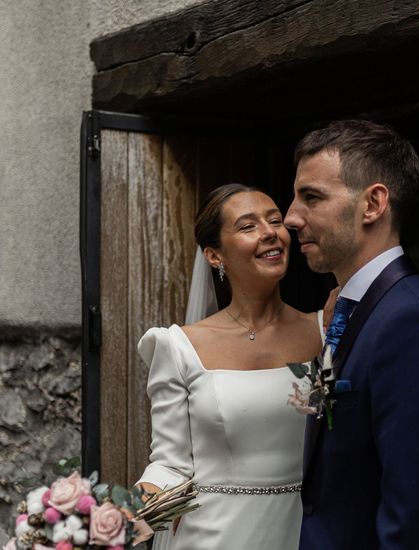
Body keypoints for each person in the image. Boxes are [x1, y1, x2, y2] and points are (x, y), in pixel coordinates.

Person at [284, 120, 419, 549]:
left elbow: (418, 518)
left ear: (373, 204)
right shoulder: (350, 308)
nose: (290, 217)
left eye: (311, 197)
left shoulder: (417, 322)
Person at [135, 184, 324, 549]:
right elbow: (170, 465)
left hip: (303, 530)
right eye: (248, 226)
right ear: (214, 255)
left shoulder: (327, 331)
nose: (270, 232)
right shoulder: (178, 346)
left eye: (275, 221)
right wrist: (108, 525)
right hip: (214, 535)